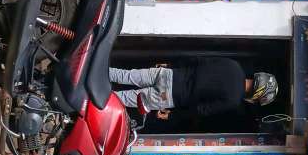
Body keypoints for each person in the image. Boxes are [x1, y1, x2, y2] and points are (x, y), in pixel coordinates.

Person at [109, 59, 278, 119]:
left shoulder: (234, 65)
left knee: (124, 75)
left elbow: (198, 60)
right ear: (257, 94)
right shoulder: (233, 100)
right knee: (119, 99)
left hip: (168, 74)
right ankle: (92, 101)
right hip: (168, 96)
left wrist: (172, 65)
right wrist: (172, 115)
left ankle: (93, 69)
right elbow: (201, 110)